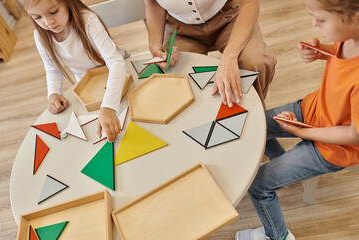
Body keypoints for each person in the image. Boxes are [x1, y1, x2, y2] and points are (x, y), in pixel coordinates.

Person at [236, 0, 359, 239]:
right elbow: (346, 59)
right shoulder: (351, 35)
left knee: (257, 186)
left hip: (333, 148)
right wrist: (323, 50)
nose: (313, 23)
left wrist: (303, 133)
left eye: (321, 19)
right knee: (257, 125)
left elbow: (354, 135)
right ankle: (283, 163)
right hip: (313, 110)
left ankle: (277, 235)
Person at [19, 0, 128, 142]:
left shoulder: (88, 21)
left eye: (53, 12)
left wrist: (108, 107)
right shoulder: (40, 36)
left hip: (120, 78)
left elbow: (116, 62)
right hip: (89, 88)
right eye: (37, 17)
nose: (48, 22)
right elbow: (52, 69)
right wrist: (53, 94)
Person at [144, 0, 276, 108]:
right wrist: (155, 44)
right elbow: (152, 3)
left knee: (253, 62)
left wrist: (230, 56)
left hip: (228, 16)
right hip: (181, 29)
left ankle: (258, 119)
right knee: (175, 80)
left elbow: (249, 3)